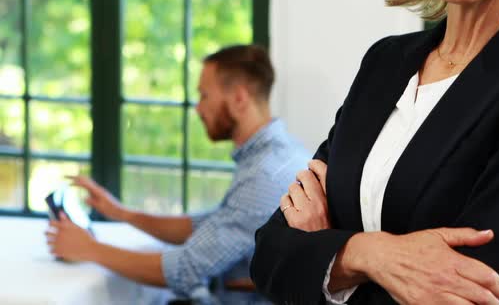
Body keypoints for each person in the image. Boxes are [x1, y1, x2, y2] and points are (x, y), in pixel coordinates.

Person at [250, 0, 499, 304]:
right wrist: (368, 254)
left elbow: (478, 291)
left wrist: (325, 255)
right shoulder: (384, 62)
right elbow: (269, 255)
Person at [45, 45, 310, 304]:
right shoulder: (277, 155)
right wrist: (120, 213)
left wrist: (89, 249)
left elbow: (185, 270)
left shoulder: (263, 177)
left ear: (239, 98)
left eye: (205, 96)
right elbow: (208, 226)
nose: (198, 108)